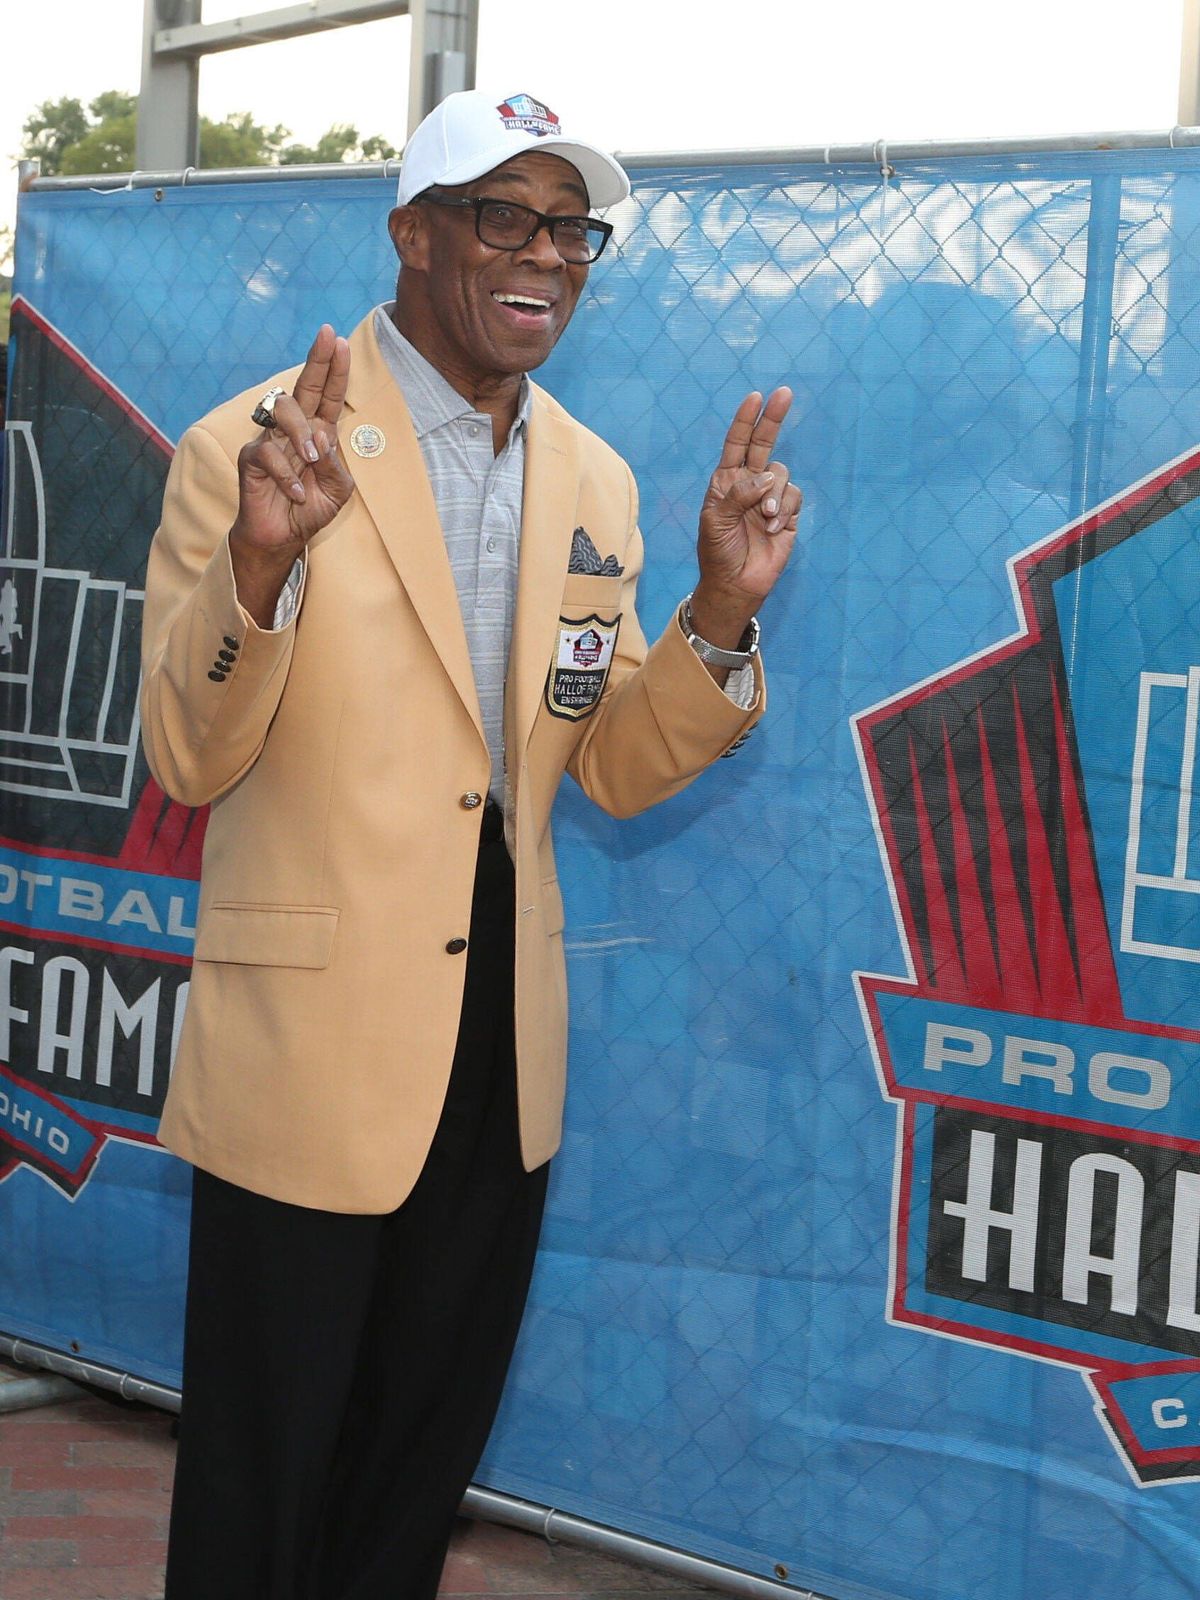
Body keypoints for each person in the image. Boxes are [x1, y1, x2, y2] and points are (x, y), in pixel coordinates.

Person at [140, 88, 801, 1600]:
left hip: (500, 1059)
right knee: (263, 1494)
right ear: (412, 236)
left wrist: (717, 614)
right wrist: (259, 562)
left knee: (406, 1488)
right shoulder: (249, 450)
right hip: (312, 1052)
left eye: (572, 227)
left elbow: (614, 765)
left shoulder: (597, 479)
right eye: (505, 215)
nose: (547, 255)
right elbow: (188, 752)